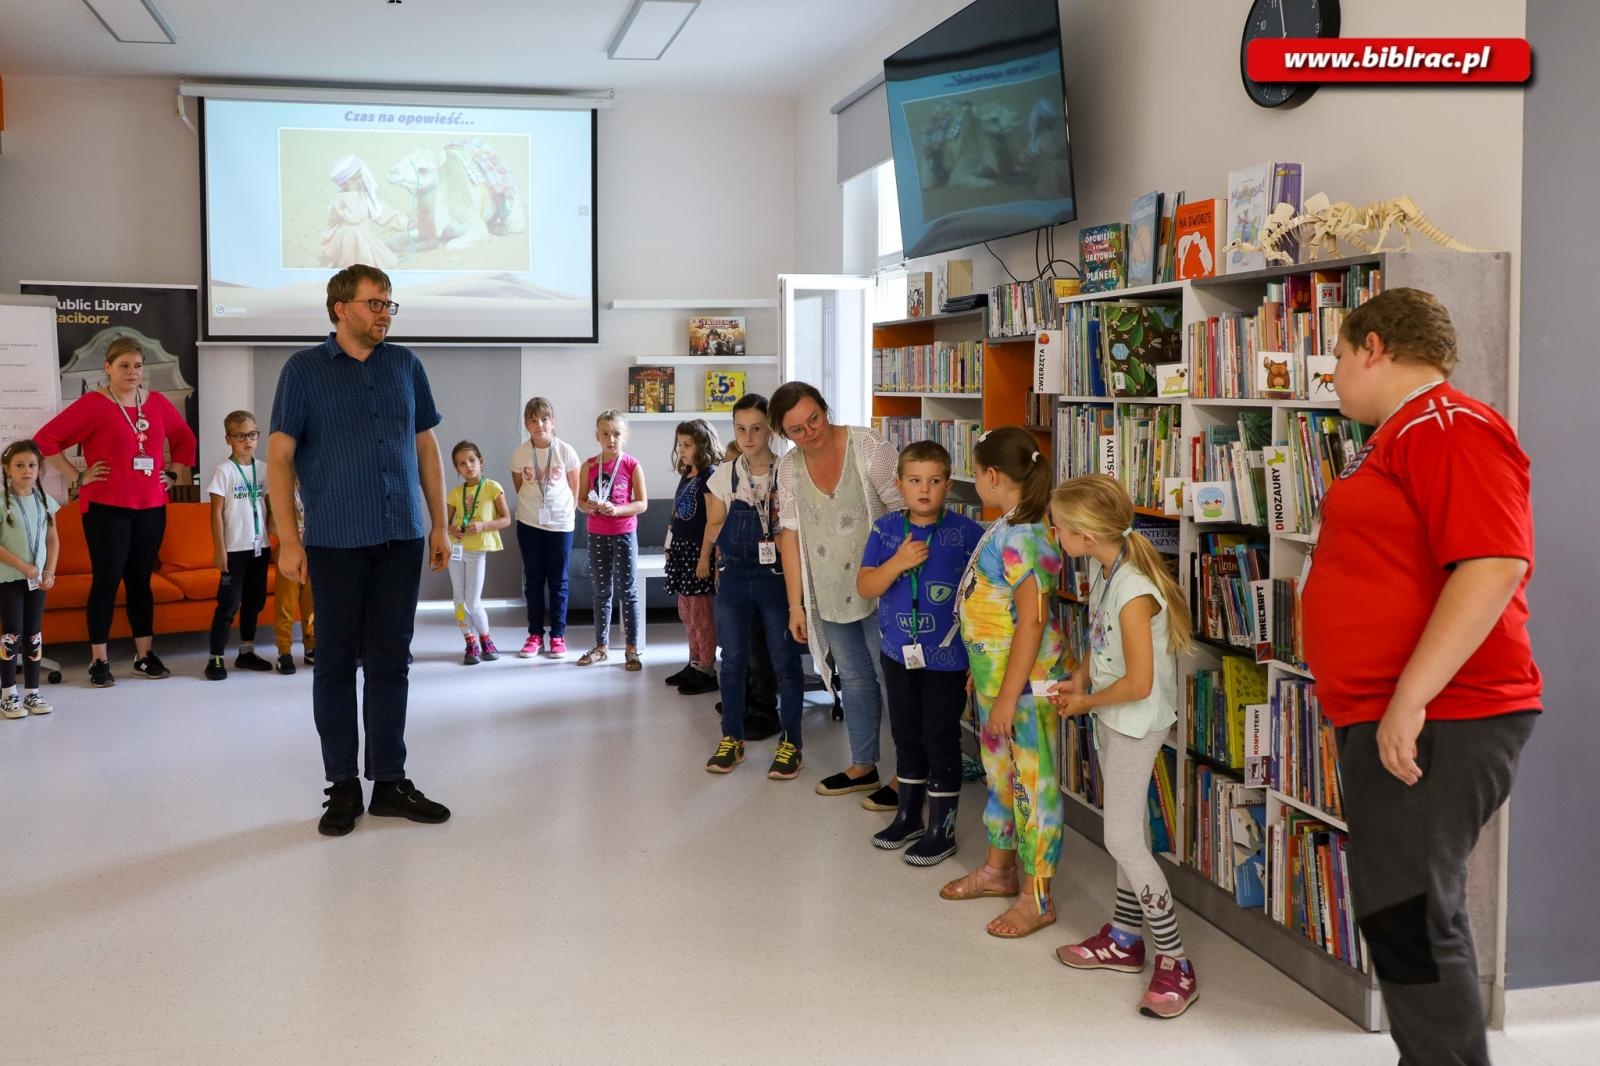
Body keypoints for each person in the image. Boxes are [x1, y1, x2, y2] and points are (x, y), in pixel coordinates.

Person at [1301, 287, 1541, 1066]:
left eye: (1338, 356)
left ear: (1375, 347)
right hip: (1400, 710)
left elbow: (1494, 563)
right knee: (1402, 907)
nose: (1333, 375)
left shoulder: (1448, 425)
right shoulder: (1401, 436)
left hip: (1448, 711)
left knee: (1409, 911)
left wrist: (1410, 698)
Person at [268, 263, 452, 837]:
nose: (384, 313)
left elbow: (426, 449)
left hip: (402, 533)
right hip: (334, 539)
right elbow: (277, 459)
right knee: (336, 662)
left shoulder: (406, 366)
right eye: (374, 303)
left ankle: (390, 782)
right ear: (340, 307)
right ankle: (342, 785)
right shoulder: (303, 371)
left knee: (392, 660)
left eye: (389, 304)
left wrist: (440, 525)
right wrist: (288, 542)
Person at [1046, 474, 1199, 1020]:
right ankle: (1125, 937)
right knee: (1125, 835)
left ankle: (1175, 961)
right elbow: (1097, 638)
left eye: (1059, 527)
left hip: (1134, 720)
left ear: (1086, 534)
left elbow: (1138, 683)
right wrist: (1082, 679)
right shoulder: (1104, 568)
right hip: (1112, 713)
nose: (1055, 534)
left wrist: (1086, 704)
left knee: (1123, 842)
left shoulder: (1136, 591)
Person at [940, 427, 1065, 938]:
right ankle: (998, 870)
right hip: (997, 687)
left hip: (1025, 691)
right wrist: (981, 674)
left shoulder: (1027, 535)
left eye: (977, 473)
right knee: (1000, 779)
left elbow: (1031, 622)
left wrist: (1010, 695)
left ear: (992, 476)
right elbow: (989, 611)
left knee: (1033, 787)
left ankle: (1038, 897)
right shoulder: (1006, 524)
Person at [771, 381, 904, 808]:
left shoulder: (868, 447)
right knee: (855, 678)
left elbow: (904, 513)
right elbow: (789, 537)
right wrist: (796, 604)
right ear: (785, 434)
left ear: (825, 409)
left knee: (893, 679)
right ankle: (863, 765)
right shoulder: (789, 469)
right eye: (796, 429)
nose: (811, 432)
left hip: (882, 588)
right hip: (827, 592)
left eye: (815, 418)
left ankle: (909, 773)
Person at [36, 335, 196, 687]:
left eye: (137, 366)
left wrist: (173, 473)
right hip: (106, 508)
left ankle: (143, 655)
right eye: (124, 365)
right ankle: (99, 661)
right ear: (107, 368)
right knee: (107, 582)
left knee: (140, 582)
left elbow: (185, 439)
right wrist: (76, 475)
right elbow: (46, 440)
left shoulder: (156, 403)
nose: (132, 372)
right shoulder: (93, 404)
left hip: (151, 507)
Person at [857, 440, 983, 866]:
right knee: (906, 734)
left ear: (948, 484)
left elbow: (986, 601)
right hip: (898, 652)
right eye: (914, 481)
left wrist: (979, 659)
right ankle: (908, 815)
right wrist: (897, 563)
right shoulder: (886, 529)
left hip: (949, 660)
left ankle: (941, 830)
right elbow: (866, 587)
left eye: (934, 481)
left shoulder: (969, 534)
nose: (924, 490)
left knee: (939, 737)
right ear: (899, 484)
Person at [702, 394, 805, 779]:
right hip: (734, 577)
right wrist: (710, 562)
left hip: (777, 580)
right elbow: (715, 526)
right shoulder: (724, 474)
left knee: (785, 661)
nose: (748, 436)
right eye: (740, 429)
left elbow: (793, 534)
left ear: (771, 430)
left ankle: (792, 741)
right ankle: (733, 737)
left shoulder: (788, 473)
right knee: (731, 662)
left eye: (756, 428)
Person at [204, 410, 274, 680]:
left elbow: (269, 507)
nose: (248, 440)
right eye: (240, 435)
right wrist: (219, 548)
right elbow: (216, 514)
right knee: (228, 605)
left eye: (253, 434)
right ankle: (216, 657)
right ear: (228, 439)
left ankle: (246, 652)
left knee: (254, 602)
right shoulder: (224, 471)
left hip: (260, 547)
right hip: (234, 550)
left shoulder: (264, 469)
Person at [576, 410, 648, 671]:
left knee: (627, 591)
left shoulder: (631, 465)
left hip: (624, 533)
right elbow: (580, 501)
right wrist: (590, 506)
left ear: (625, 436)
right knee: (601, 592)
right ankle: (601, 646)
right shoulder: (589, 466)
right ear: (597, 436)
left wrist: (618, 510)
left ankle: (631, 647)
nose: (611, 439)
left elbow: (642, 503)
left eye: (617, 434)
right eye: (605, 433)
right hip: (597, 534)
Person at [510, 397, 581, 659]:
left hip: (561, 524)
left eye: (544, 419)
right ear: (526, 424)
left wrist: (564, 512)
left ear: (553, 422)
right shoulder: (520, 454)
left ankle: (558, 636)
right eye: (533, 420)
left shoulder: (566, 451)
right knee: (533, 580)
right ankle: (535, 635)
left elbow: (575, 488)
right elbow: (519, 486)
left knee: (559, 581)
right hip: (529, 522)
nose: (539, 424)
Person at [0, 441, 60, 718]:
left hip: (37, 580)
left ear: (39, 469)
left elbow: (52, 539)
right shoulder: (2, 502)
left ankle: (32, 692)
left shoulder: (45, 501)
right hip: (9, 578)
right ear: (7, 469)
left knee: (34, 633)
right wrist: (22, 565)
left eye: (32, 465)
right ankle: (9, 694)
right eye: (20, 465)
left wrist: (49, 571)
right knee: (12, 633)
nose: (27, 470)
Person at [664, 419, 720, 696]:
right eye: (680, 445)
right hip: (681, 551)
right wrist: (669, 544)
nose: (682, 450)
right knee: (686, 612)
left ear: (702, 445)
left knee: (701, 615)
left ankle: (707, 668)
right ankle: (694, 661)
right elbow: (677, 515)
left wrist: (704, 558)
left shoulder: (710, 476)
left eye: (687, 445)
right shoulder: (687, 475)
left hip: (699, 553)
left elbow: (713, 520)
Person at [446, 440, 511, 666]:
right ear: (457, 469)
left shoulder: (492, 487)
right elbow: (445, 524)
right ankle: (470, 641)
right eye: (462, 463)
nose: (468, 466)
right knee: (459, 598)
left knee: (473, 601)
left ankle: (486, 639)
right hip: (457, 550)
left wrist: (483, 526)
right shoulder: (455, 493)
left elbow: (506, 519)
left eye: (472, 460)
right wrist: (452, 528)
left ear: (481, 462)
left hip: (476, 552)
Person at [319, 155, 407, 270]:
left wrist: (403, 221)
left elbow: (379, 212)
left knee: (389, 262)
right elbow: (354, 217)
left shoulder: (362, 194)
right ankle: (350, 265)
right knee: (352, 228)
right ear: (344, 183)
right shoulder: (339, 200)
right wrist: (351, 191)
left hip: (361, 237)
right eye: (354, 179)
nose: (359, 180)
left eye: (360, 176)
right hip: (340, 241)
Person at [273, 486, 315, 674]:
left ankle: (311, 646)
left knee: (312, 603)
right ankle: (284, 652)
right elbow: (271, 525)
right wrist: (290, 534)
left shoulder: (315, 485)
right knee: (286, 603)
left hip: (312, 549)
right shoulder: (281, 484)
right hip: (289, 550)